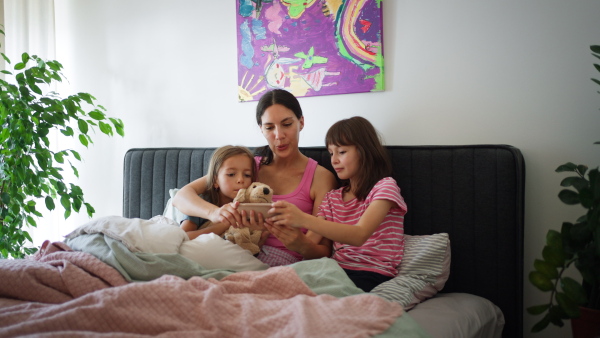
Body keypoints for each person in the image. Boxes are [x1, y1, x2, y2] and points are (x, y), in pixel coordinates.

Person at [173, 89, 338, 266]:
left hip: (287, 264)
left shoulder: (321, 178)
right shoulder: (246, 168)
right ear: (261, 129)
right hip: (235, 253)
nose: (279, 135)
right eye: (269, 127)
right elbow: (181, 197)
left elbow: (324, 250)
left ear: (301, 122)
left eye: (287, 124)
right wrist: (215, 213)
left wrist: (300, 243)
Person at [268, 116, 408, 292]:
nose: (334, 160)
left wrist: (302, 219)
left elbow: (359, 235)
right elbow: (310, 241)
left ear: (365, 151)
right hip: (334, 270)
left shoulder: (384, 187)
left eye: (341, 152)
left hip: (372, 272)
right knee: (275, 286)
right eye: (331, 153)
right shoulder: (332, 198)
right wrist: (286, 233)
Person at [176, 145, 256, 240]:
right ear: (215, 180)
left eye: (247, 175)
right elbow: (183, 237)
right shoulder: (201, 203)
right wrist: (223, 225)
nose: (240, 180)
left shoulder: (249, 207)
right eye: (231, 174)